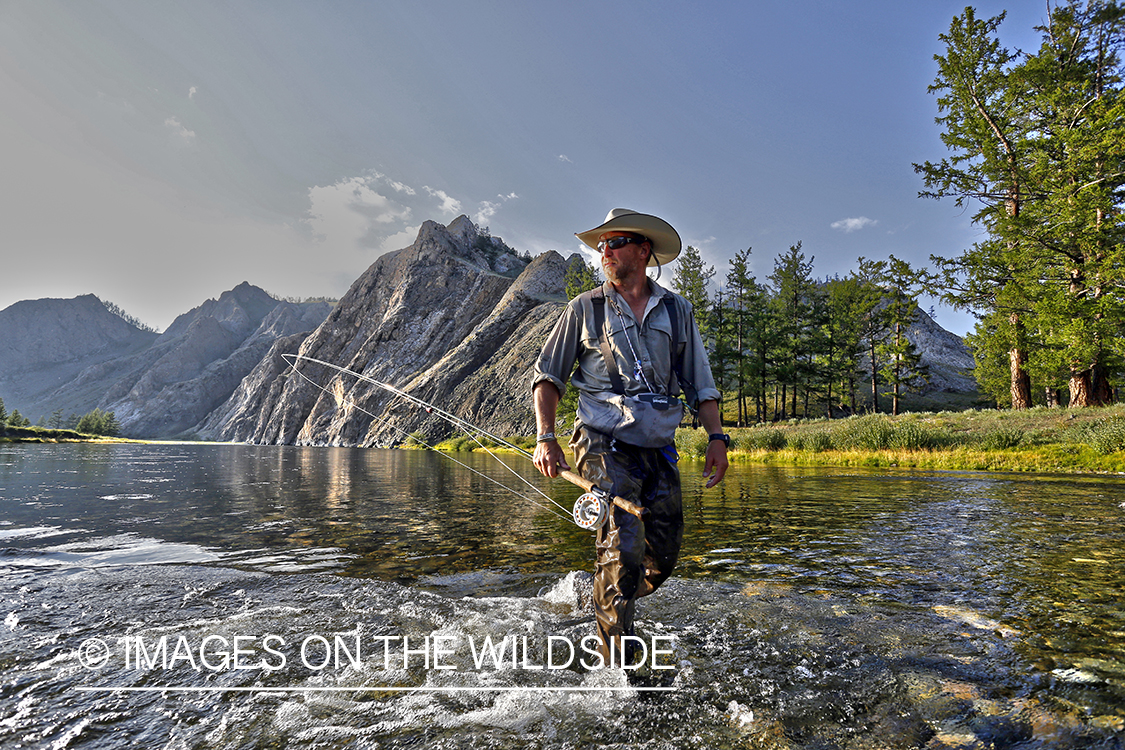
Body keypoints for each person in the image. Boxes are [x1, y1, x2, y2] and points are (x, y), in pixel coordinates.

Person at [532, 208, 729, 666]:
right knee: (623, 547)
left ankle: (603, 593)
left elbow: (701, 383)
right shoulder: (583, 308)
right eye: (601, 245)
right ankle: (619, 666)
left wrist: (717, 437)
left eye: (615, 242)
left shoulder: (678, 311)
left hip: (659, 446)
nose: (605, 251)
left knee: (664, 551)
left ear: (643, 250)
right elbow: (547, 377)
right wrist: (546, 436)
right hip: (601, 441)